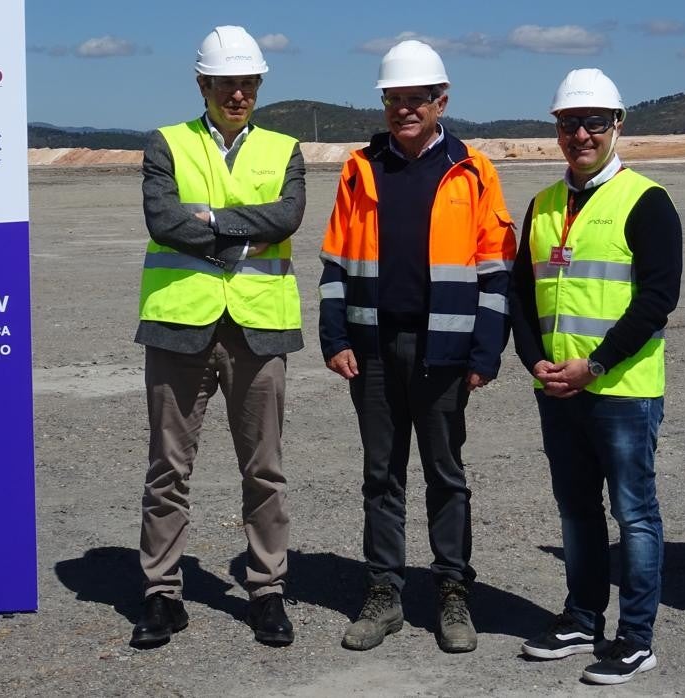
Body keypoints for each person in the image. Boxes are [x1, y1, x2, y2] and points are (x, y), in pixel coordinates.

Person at [318, 40, 517, 653]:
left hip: (444, 351)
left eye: (416, 99)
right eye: (394, 99)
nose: (405, 109)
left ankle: (453, 592)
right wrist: (334, 335)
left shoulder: (474, 170)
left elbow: (495, 269)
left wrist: (485, 351)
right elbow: (335, 260)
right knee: (380, 475)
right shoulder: (360, 168)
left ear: (441, 101)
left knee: (445, 475)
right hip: (372, 348)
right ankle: (384, 593)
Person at [130, 25, 305, 649]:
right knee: (168, 468)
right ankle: (160, 593)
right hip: (180, 327)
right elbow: (163, 220)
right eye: (226, 82)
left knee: (264, 470)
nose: (237, 92)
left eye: (247, 82)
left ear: (258, 85)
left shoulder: (284, 149)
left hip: (259, 330)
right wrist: (238, 232)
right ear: (202, 84)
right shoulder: (165, 144)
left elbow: (286, 217)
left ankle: (266, 591)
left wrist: (208, 220)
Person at [510, 68, 682, 685]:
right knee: (576, 510)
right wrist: (537, 363)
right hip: (558, 389)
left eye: (593, 123)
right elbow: (521, 297)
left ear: (618, 125)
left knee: (634, 513)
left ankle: (636, 638)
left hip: (622, 392)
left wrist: (597, 365)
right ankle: (582, 620)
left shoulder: (647, 200)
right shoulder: (542, 204)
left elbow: (657, 299)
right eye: (568, 123)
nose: (580, 134)